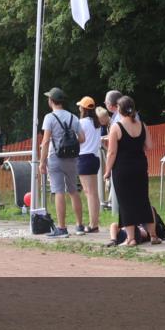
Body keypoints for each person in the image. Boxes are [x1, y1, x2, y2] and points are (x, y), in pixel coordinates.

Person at [103, 96, 159, 246]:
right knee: (143, 200)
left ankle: (131, 238)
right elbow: (149, 146)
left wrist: (107, 171)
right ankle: (153, 235)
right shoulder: (142, 125)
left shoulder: (116, 127)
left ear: (119, 109)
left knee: (125, 202)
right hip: (140, 166)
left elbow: (112, 153)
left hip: (122, 168)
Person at [38, 88, 86, 237]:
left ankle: (62, 228)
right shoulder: (73, 117)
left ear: (51, 101)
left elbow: (46, 141)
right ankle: (79, 226)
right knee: (73, 191)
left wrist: (42, 162)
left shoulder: (49, 117)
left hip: (55, 157)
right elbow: (82, 138)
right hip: (72, 158)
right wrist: (70, 141)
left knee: (59, 191)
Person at [76, 96, 102, 233]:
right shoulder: (96, 123)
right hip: (94, 158)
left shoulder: (81, 122)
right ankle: (94, 222)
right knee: (93, 193)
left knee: (89, 193)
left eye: (80, 106)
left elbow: (78, 139)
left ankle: (93, 224)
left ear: (83, 109)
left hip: (84, 158)